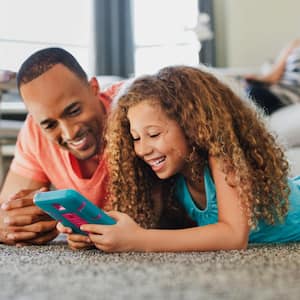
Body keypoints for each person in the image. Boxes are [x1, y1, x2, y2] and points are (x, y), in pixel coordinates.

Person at [58, 65, 300, 252]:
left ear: (192, 127)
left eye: (153, 134)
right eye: (136, 138)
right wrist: (101, 233)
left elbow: (233, 236)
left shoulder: (223, 156)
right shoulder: (168, 176)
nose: (142, 150)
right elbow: (148, 228)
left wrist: (137, 240)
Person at [0, 47, 121, 246]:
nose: (69, 133)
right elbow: (6, 210)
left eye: (73, 111)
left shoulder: (133, 106)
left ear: (94, 88)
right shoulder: (35, 131)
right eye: (50, 124)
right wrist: (12, 226)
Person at [245, 39, 300, 114]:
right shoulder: (295, 44)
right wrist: (256, 79)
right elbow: (273, 77)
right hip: (276, 92)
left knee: (253, 95)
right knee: (250, 91)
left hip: (290, 100)